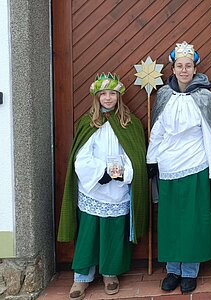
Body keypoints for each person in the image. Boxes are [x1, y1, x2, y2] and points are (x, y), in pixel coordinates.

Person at [57, 73, 149, 300]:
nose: (108, 98)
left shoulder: (131, 123)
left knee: (113, 232)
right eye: (103, 94)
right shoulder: (88, 123)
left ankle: (110, 273)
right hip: (94, 188)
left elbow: (135, 155)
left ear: (119, 96)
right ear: (96, 97)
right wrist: (101, 173)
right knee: (89, 232)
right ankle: (82, 276)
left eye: (112, 94)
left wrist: (124, 173)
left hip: (118, 190)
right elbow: (81, 157)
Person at [146, 41, 211, 293]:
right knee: (170, 221)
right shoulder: (164, 96)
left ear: (195, 68)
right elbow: (156, 132)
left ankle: (189, 270)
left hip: (195, 164)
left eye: (188, 66)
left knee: (191, 221)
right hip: (168, 166)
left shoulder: (205, 97)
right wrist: (151, 159)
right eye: (179, 66)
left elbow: (210, 136)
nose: (184, 70)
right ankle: (172, 269)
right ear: (173, 68)